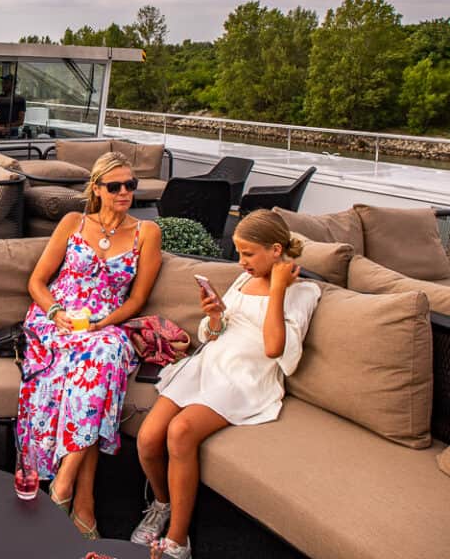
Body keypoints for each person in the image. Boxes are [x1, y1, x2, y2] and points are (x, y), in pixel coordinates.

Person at [130, 210, 321, 558]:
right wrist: (215, 316)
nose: (241, 261)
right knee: (147, 437)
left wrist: (277, 291)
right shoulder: (242, 281)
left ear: (276, 250)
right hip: (208, 364)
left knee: (181, 431)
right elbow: (214, 336)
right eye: (239, 252)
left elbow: (276, 349)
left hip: (246, 378)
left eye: (248, 253)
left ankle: (177, 539)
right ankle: (162, 502)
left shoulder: (303, 292)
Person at [16, 153, 162, 539]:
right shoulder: (72, 223)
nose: (124, 193)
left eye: (130, 185)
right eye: (114, 186)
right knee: (95, 367)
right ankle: (83, 505)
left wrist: (100, 323)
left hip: (105, 322)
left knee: (106, 351)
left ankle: (64, 485)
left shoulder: (147, 232)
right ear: (96, 188)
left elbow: (137, 302)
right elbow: (37, 283)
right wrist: (56, 312)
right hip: (56, 320)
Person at [0, 73, 26, 138]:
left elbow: (21, 121)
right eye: (3, 83)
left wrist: (8, 126)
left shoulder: (20, 100)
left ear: (13, 85)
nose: (3, 85)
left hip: (13, 130)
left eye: (6, 83)